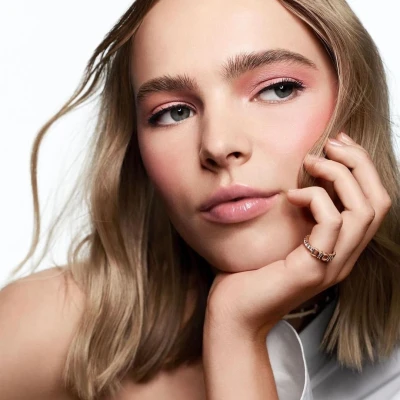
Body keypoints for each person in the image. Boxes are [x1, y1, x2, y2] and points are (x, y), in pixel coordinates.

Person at [1, 0, 399, 399]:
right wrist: (235, 326)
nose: (217, 145)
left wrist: (237, 332)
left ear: (355, 104)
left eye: (277, 89)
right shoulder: (47, 329)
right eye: (174, 112)